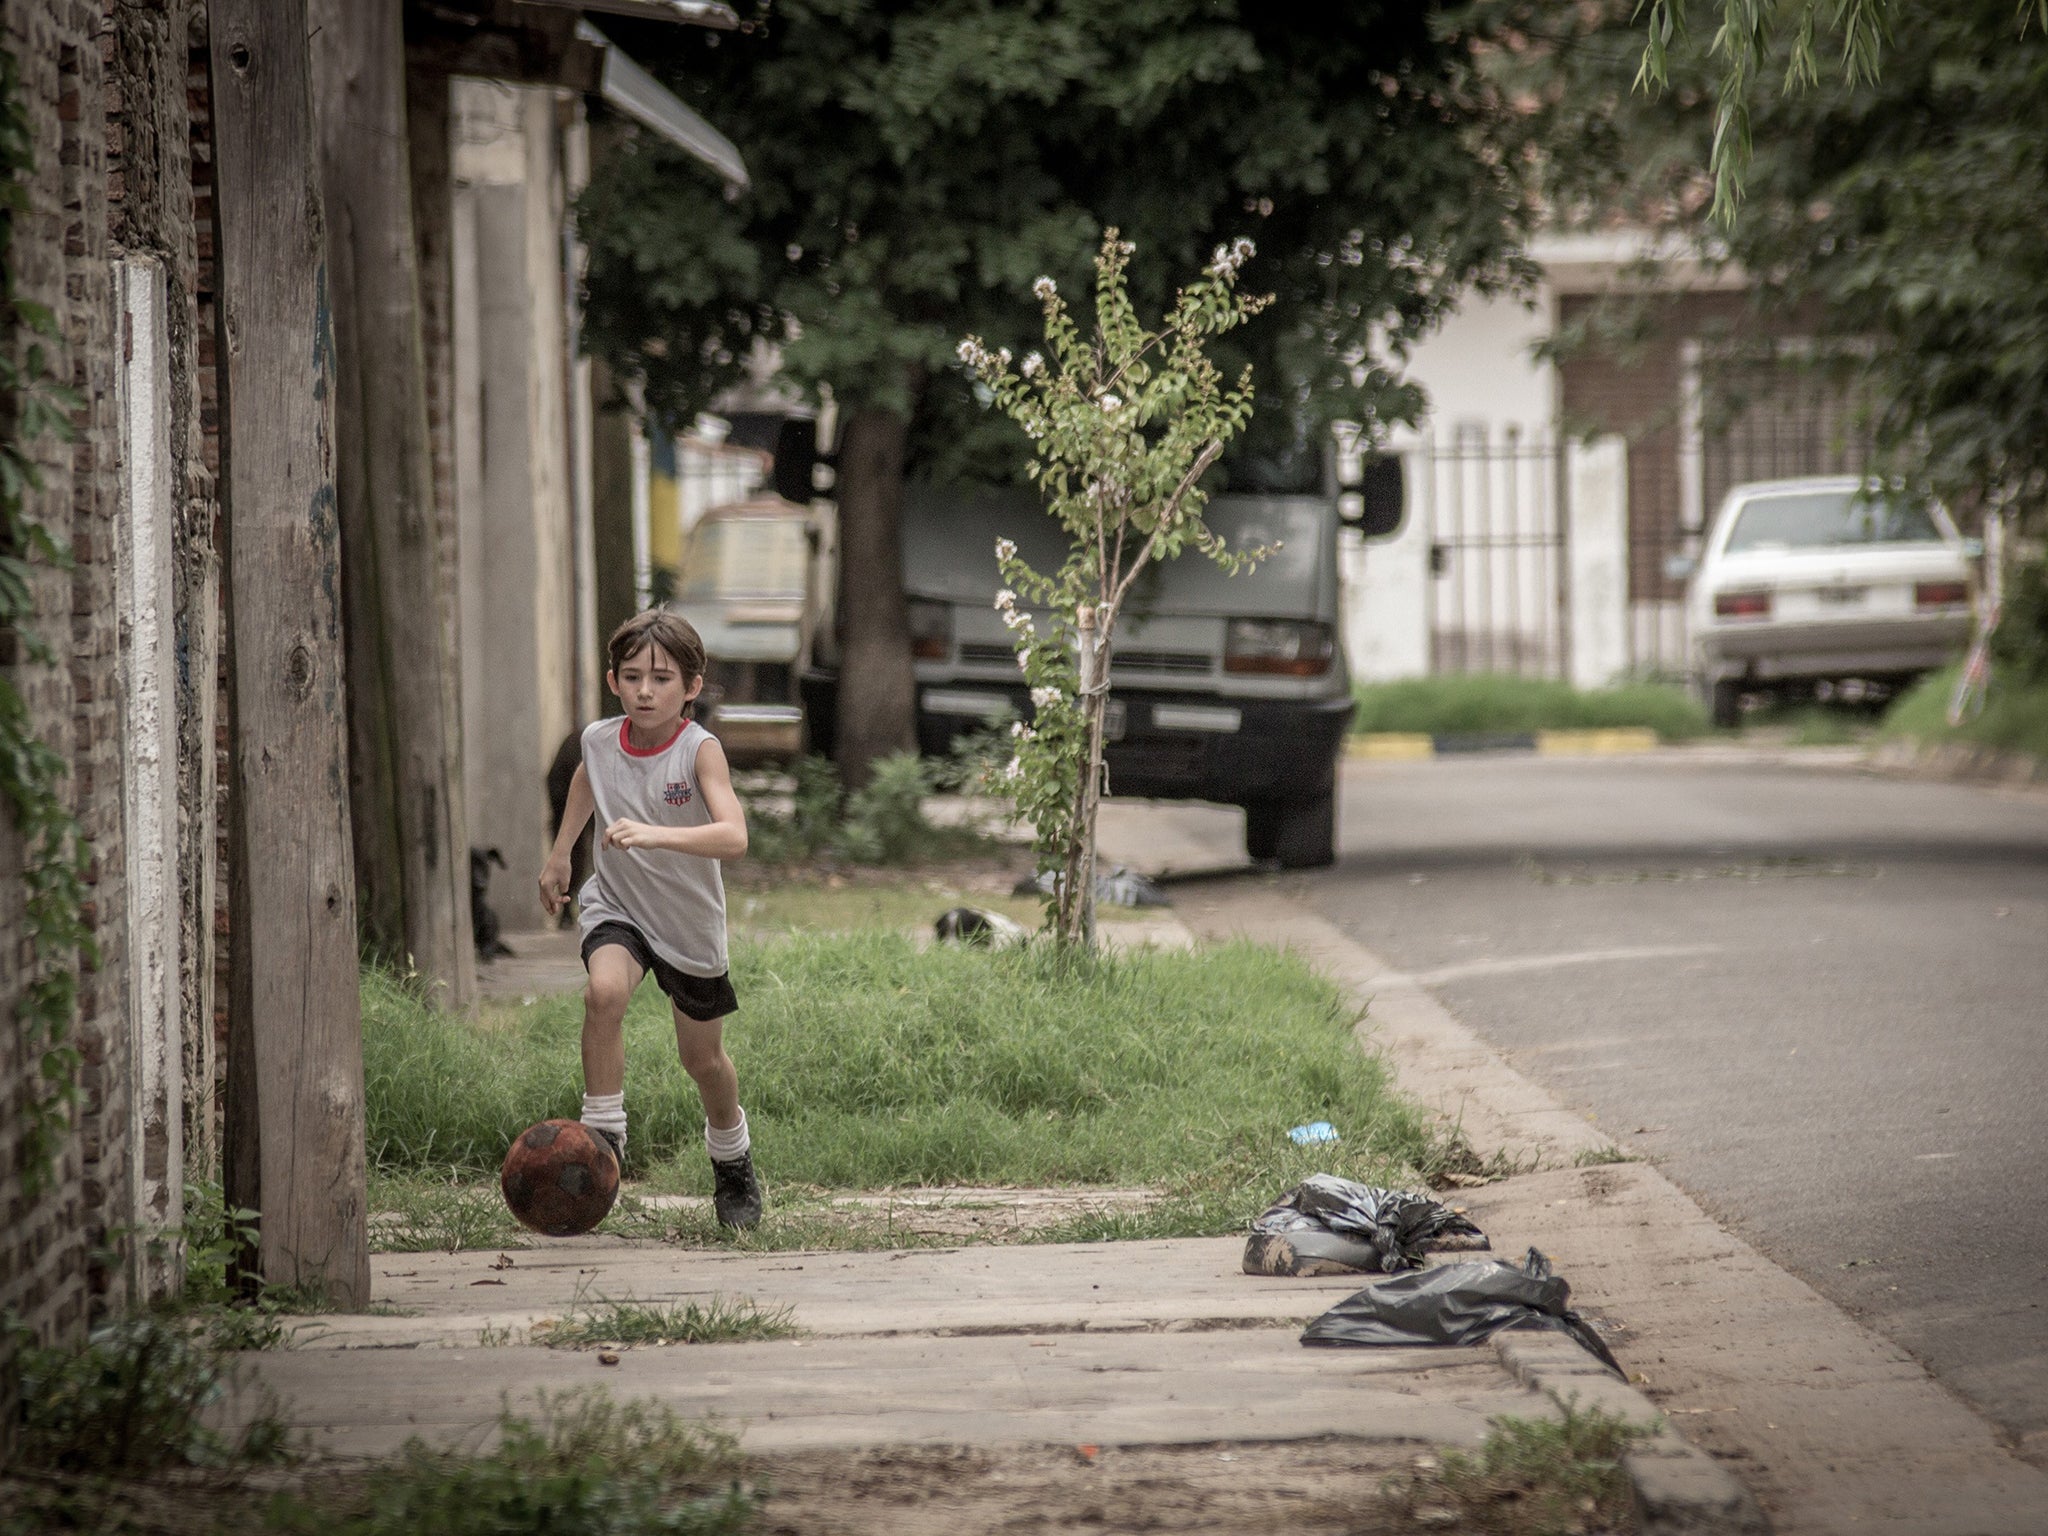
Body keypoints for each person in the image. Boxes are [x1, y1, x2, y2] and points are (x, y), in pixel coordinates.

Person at [539, 610, 761, 1229]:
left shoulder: (700, 751)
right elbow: (587, 777)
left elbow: (735, 836)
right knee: (603, 993)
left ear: (691, 687)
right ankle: (603, 1139)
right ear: (613, 680)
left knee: (703, 1061)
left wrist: (656, 834)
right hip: (619, 904)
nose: (644, 690)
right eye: (632, 676)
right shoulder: (598, 739)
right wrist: (561, 855)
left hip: (688, 922)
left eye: (661, 678)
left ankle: (732, 1159)